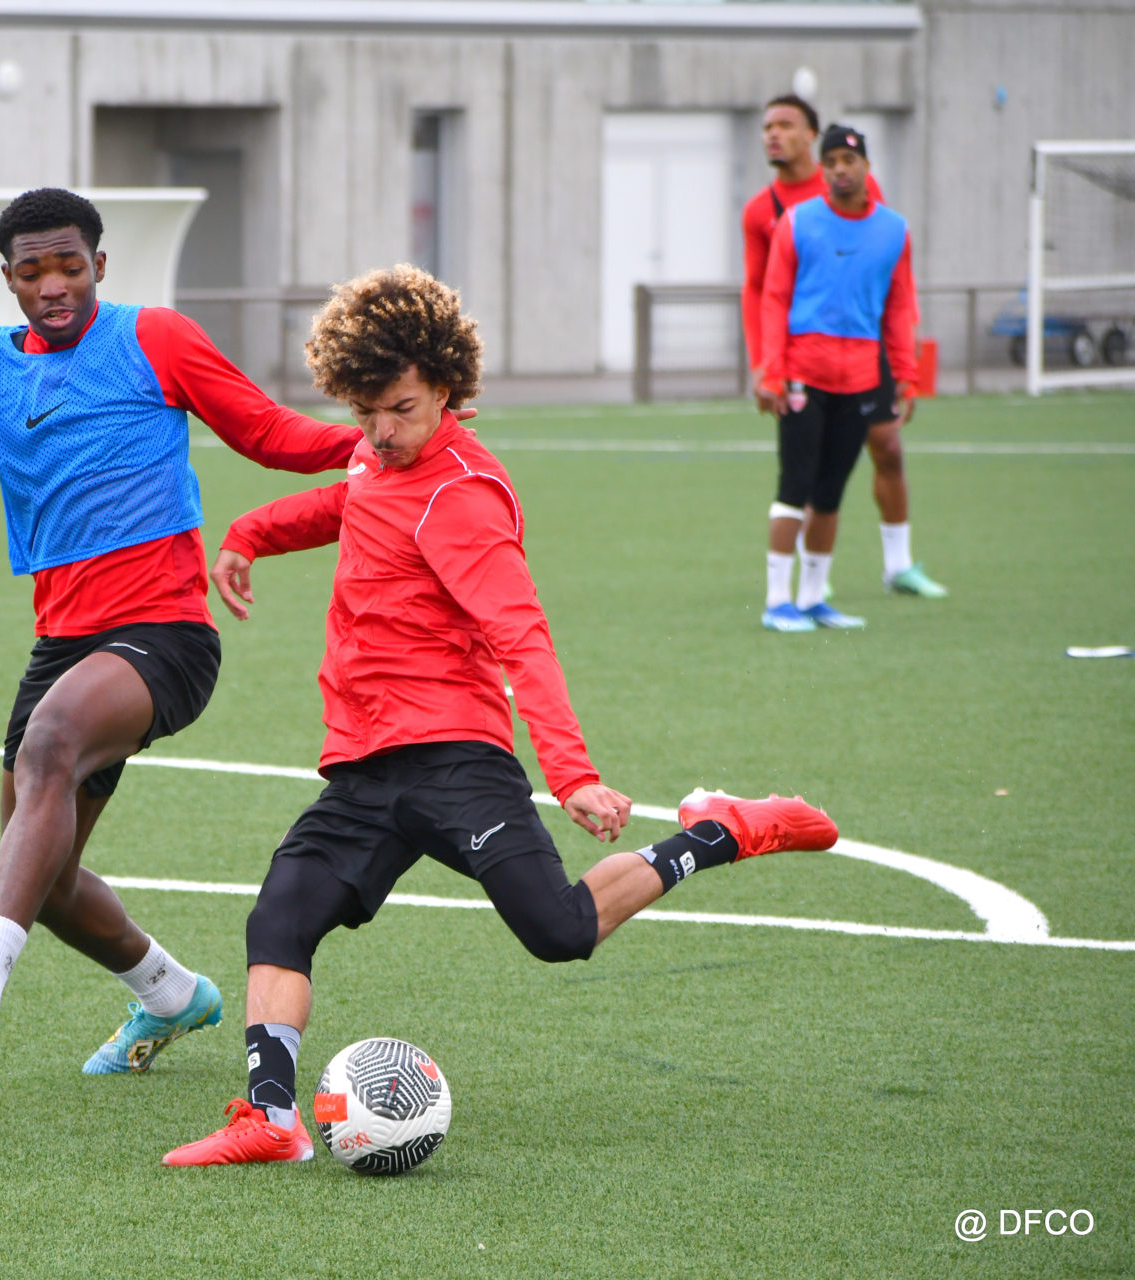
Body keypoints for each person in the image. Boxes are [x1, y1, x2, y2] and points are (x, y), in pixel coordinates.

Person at [162, 265, 840, 1166]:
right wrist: (251, 534)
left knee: (560, 932)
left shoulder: (464, 498)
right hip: (364, 762)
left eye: (402, 409)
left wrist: (573, 774)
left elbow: (523, 637)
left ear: (446, 386)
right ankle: (272, 1121)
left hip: (454, 755)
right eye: (366, 412)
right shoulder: (376, 455)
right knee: (280, 919)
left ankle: (719, 831)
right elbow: (350, 499)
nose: (381, 432)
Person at [0, 188, 367, 1072]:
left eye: (70, 266)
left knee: (49, 744)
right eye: (33, 271)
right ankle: (172, 995)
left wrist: (375, 440)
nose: (53, 285)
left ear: (98, 265)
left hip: (166, 635)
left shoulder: (155, 337)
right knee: (46, 879)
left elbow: (266, 432)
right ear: (8, 279)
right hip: (63, 648)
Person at [741, 96, 946, 603]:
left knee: (887, 447)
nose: (773, 134)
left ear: (810, 134)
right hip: (805, 355)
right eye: (767, 126)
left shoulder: (863, 196)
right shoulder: (766, 212)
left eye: (785, 124)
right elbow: (760, 290)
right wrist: (763, 363)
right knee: (805, 471)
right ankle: (804, 585)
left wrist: (906, 351)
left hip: (864, 348)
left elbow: (890, 273)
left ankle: (898, 565)